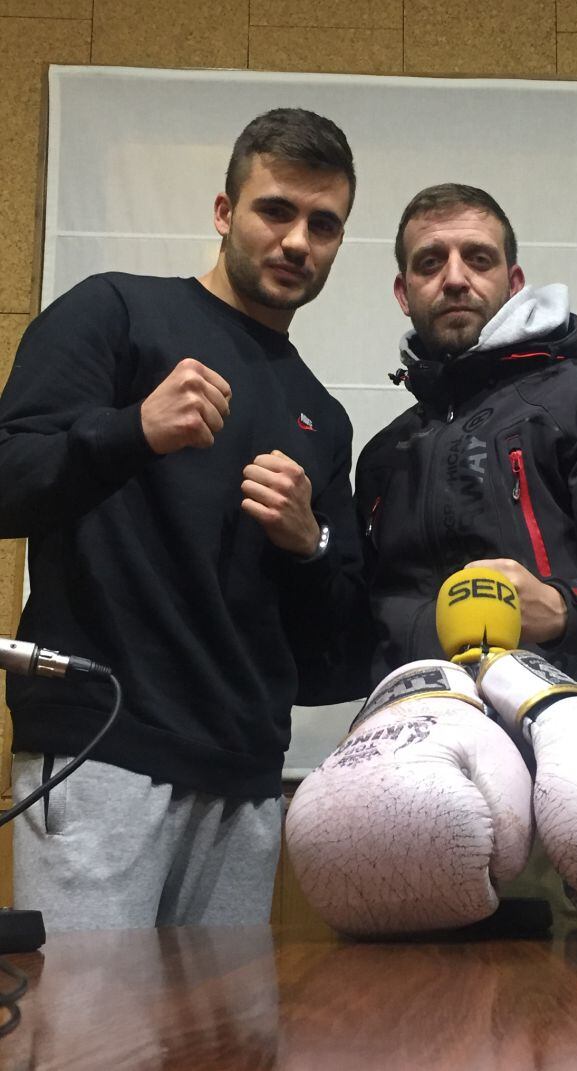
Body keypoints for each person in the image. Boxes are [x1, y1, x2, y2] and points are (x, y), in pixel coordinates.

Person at [0, 108, 365, 931]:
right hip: (101, 750)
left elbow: (333, 653)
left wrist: (309, 544)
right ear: (224, 211)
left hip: (246, 777)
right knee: (87, 1014)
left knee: (226, 1020)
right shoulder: (115, 312)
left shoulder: (323, 415)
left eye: (323, 224)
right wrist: (132, 429)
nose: (297, 241)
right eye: (276, 210)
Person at [354, 183, 577, 704]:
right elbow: (352, 630)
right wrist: (311, 542)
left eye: (478, 259)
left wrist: (560, 608)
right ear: (403, 293)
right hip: (410, 735)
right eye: (430, 263)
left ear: (514, 283)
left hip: (553, 738)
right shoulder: (384, 455)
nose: (455, 278)